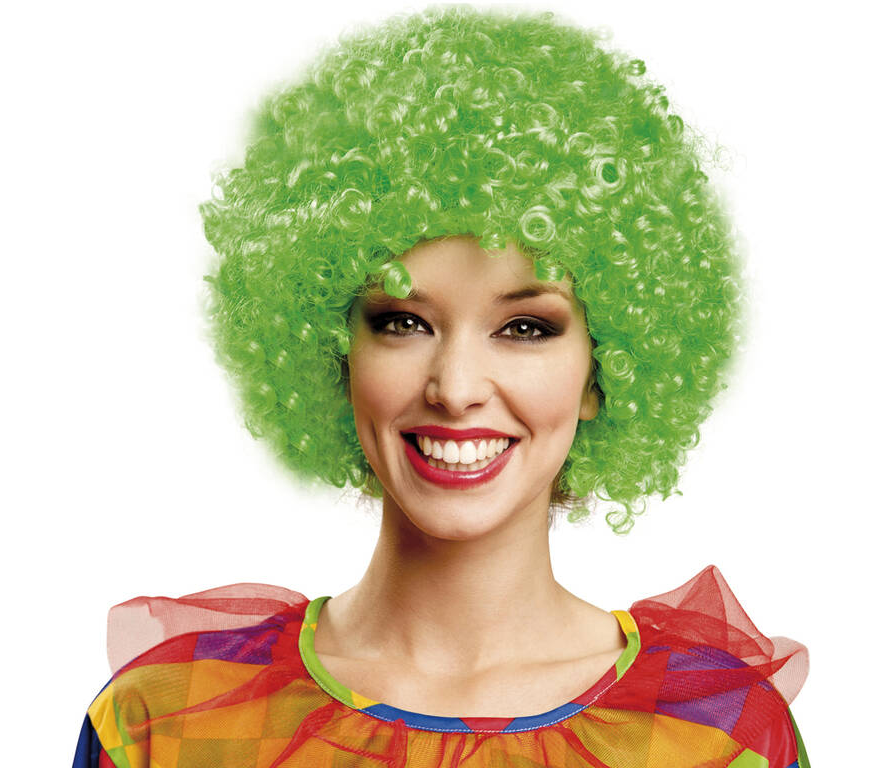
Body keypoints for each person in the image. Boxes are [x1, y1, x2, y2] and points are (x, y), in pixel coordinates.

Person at [73, 6, 810, 767]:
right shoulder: (174, 721)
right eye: (403, 321)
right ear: (335, 355)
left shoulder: (706, 735)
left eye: (526, 328)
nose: (455, 389)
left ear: (602, 371)